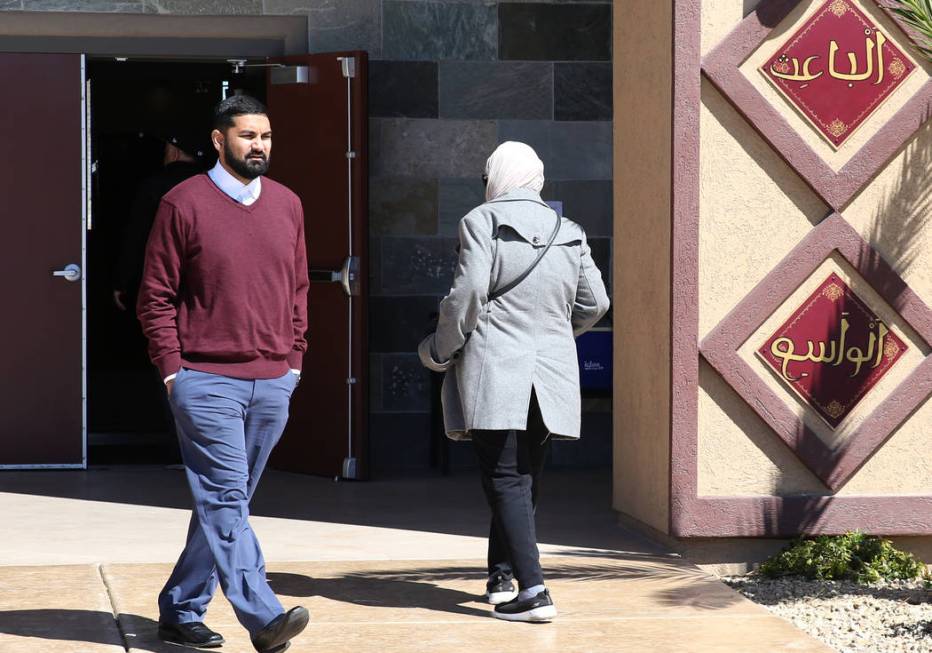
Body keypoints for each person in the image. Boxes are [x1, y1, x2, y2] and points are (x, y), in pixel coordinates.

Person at [137, 94, 310, 653]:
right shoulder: (182, 203)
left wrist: (295, 362)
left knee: (224, 503)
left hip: (272, 379)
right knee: (227, 498)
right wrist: (172, 372)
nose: (258, 146)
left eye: (265, 136)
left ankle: (181, 607)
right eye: (247, 136)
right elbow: (155, 296)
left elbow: (299, 290)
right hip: (204, 379)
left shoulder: (287, 204)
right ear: (219, 140)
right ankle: (263, 615)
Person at [418, 141, 610, 623]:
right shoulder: (569, 230)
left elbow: (467, 295)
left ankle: (535, 590)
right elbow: (596, 303)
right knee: (522, 477)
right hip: (550, 374)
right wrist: (553, 333)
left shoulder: (480, 221)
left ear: (496, 177)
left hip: (495, 366)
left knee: (504, 477)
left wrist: (440, 350)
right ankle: (501, 577)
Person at [113, 132, 205, 312]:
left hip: (159, 278)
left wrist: (122, 280)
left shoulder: (154, 185)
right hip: (199, 282)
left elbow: (137, 236)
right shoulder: (212, 185)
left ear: (174, 152)